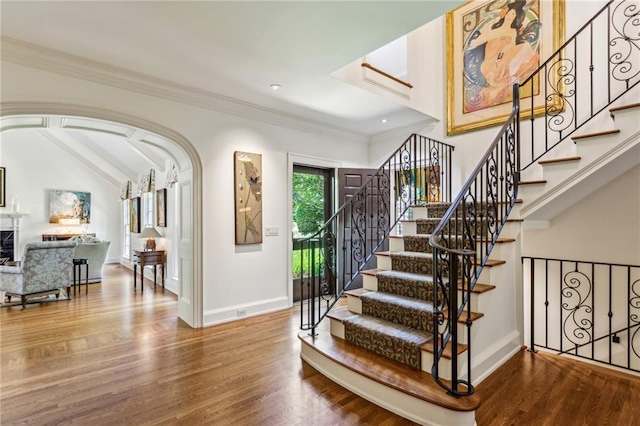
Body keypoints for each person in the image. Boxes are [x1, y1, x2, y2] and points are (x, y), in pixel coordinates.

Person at [464, 0, 541, 111]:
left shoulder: (513, 32)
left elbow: (512, 48)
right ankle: (505, 81)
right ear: (505, 14)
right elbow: (476, 43)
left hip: (502, 61)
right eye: (509, 13)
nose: (510, 16)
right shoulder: (495, 29)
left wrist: (504, 52)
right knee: (524, 48)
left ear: (516, 16)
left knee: (525, 47)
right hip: (489, 66)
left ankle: (507, 79)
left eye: (513, 14)